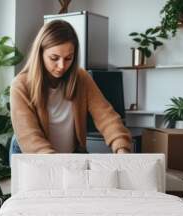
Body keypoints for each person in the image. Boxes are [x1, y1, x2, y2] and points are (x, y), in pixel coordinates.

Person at [9, 20, 131, 162]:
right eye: (54, 58)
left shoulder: (81, 78)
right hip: (31, 156)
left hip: (71, 156)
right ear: (40, 53)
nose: (61, 66)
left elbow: (106, 116)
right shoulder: (20, 85)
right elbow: (31, 138)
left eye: (68, 58)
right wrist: (60, 165)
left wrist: (121, 147)